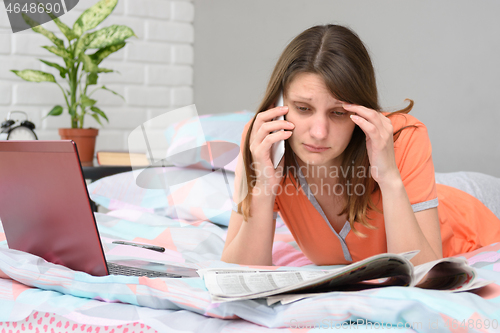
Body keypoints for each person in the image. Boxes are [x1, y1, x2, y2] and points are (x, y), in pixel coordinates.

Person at [221, 24, 500, 266]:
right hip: (429, 188)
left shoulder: (403, 136)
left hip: (471, 207)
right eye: (303, 108)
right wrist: (264, 187)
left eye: (338, 113)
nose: (319, 133)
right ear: (279, 106)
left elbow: (424, 276)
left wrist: (389, 179)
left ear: (360, 112)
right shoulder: (261, 143)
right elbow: (238, 274)